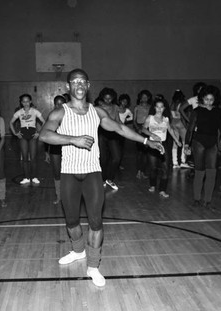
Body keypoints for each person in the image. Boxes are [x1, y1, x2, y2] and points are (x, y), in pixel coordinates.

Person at [39, 69, 164, 287]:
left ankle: (93, 266)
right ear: (68, 86)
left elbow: (120, 128)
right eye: (74, 81)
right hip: (69, 174)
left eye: (82, 81)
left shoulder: (96, 112)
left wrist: (146, 142)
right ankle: (78, 251)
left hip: (93, 174)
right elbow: (44, 134)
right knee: (71, 221)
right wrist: (73, 139)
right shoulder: (59, 112)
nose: (78, 85)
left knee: (96, 222)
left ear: (88, 85)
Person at [184, 85, 221, 208]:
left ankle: (208, 200)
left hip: (212, 143)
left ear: (215, 99)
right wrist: (186, 145)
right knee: (200, 171)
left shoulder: (218, 111)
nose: (209, 102)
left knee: (212, 171)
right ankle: (197, 199)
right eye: (206, 99)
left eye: (211, 99)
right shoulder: (197, 111)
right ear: (202, 99)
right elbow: (190, 130)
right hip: (199, 142)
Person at [142, 96, 181, 197]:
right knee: (153, 167)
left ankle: (162, 190)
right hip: (152, 144)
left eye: (161, 107)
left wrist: (177, 141)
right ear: (154, 108)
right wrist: (152, 135)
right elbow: (143, 129)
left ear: (164, 108)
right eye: (157, 107)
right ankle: (153, 185)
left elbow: (170, 130)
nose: (159, 109)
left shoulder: (166, 119)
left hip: (163, 144)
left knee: (165, 167)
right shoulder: (150, 118)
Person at [9, 94, 45, 185]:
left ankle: (34, 177)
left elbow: (44, 122)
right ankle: (26, 177)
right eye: (24, 101)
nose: (26, 103)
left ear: (30, 101)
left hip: (33, 134)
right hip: (23, 135)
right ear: (21, 103)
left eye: (27, 101)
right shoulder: (19, 112)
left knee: (33, 158)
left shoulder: (35, 111)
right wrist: (15, 133)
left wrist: (39, 132)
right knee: (25, 157)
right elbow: (11, 122)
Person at [96, 87, 122, 190]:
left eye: (109, 98)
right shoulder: (98, 108)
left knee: (117, 157)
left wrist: (122, 129)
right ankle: (102, 179)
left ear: (113, 98)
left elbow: (118, 120)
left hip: (113, 134)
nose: (107, 100)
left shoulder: (115, 107)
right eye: (105, 98)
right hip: (102, 134)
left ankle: (109, 178)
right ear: (102, 97)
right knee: (103, 159)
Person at [44, 95, 66, 204]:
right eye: (57, 103)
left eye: (62, 103)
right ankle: (59, 196)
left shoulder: (70, 115)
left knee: (69, 173)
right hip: (55, 147)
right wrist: (46, 152)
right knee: (57, 173)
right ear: (54, 104)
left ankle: (69, 195)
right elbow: (45, 134)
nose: (59, 105)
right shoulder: (51, 116)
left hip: (68, 147)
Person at [133, 90, 153, 179]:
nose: (144, 98)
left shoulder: (151, 107)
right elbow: (134, 121)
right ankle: (138, 171)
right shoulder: (137, 107)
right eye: (142, 97)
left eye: (146, 97)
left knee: (146, 152)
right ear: (140, 98)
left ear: (148, 98)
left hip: (148, 129)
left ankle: (143, 171)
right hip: (139, 128)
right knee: (140, 152)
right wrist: (138, 129)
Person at [169, 89, 189, 168]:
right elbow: (183, 117)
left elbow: (170, 116)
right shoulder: (182, 103)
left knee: (175, 143)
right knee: (185, 143)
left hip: (173, 124)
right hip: (181, 124)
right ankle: (183, 161)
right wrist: (187, 125)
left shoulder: (172, 103)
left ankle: (175, 162)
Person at [117, 94, 133, 170]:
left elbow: (132, 117)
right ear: (120, 101)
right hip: (113, 129)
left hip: (122, 131)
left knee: (121, 148)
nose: (124, 103)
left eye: (126, 102)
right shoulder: (115, 108)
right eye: (123, 101)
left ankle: (119, 164)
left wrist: (126, 120)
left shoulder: (127, 111)